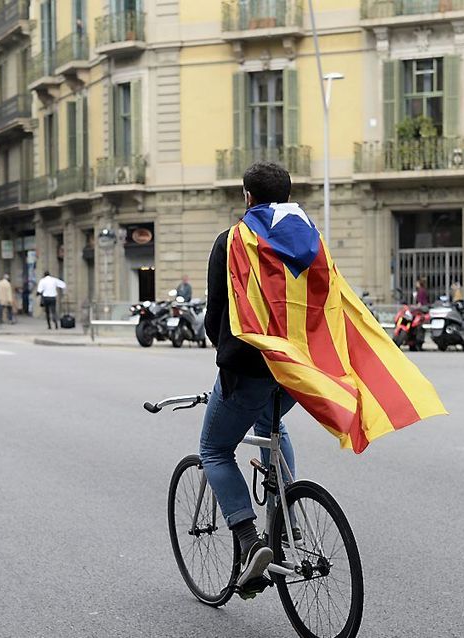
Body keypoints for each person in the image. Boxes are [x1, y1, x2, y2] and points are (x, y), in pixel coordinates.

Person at [201, 162, 300, 592]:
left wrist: (224, 349)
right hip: (297, 368)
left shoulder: (231, 242)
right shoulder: (307, 239)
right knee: (273, 425)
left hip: (250, 368)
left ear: (248, 197)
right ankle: (287, 520)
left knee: (215, 449)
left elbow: (214, 314)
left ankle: (250, 538)